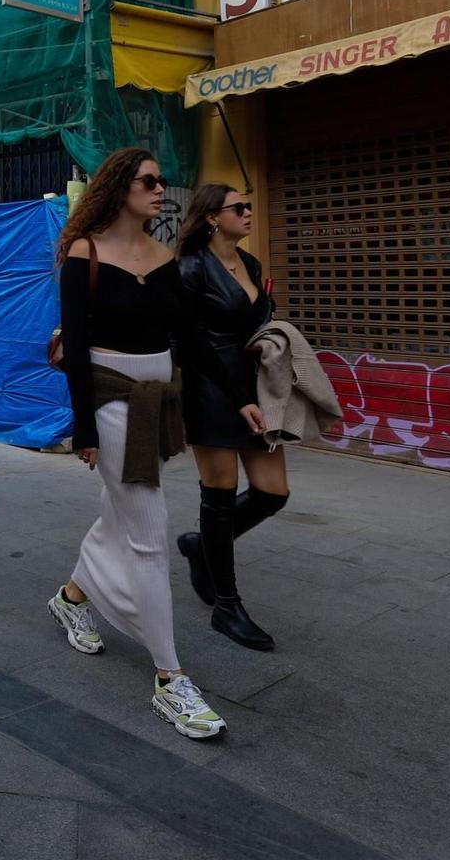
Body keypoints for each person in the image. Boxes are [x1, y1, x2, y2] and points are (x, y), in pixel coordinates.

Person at [46, 148, 225, 741]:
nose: (159, 190)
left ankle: (73, 597)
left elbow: (189, 336)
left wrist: (239, 395)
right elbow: (74, 343)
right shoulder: (84, 253)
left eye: (162, 180)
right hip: (110, 397)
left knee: (116, 514)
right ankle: (170, 679)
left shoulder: (164, 256)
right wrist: (86, 430)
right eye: (149, 181)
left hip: (157, 402)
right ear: (121, 187)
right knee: (148, 532)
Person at [173, 184, 281, 653]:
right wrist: (236, 395)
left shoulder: (250, 264)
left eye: (249, 206)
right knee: (218, 495)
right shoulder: (191, 267)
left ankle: (202, 547)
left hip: (254, 387)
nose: (249, 213)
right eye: (240, 207)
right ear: (213, 217)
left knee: (272, 492)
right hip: (211, 389)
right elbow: (192, 343)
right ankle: (226, 606)